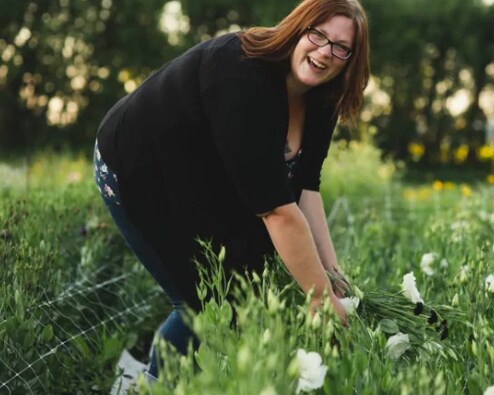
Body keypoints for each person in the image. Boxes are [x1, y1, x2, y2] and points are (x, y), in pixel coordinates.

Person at [93, 0, 369, 379]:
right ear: (297, 28)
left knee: (243, 287)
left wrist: (332, 274)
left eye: (341, 47)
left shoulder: (323, 99)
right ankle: (142, 386)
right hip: (140, 168)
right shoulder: (242, 73)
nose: (325, 53)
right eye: (317, 35)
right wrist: (320, 300)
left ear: (351, 59)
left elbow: (306, 187)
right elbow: (277, 211)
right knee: (202, 304)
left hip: (205, 177)